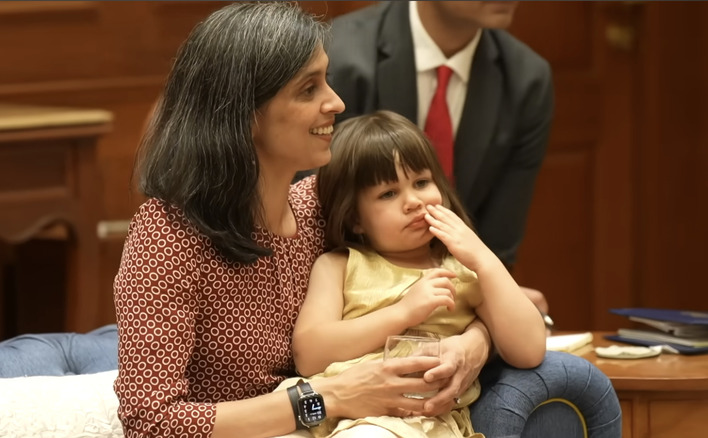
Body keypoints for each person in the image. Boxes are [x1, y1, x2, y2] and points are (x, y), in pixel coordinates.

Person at [113, 3, 492, 438]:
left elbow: (469, 288)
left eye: (326, 80)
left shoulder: (324, 204)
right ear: (244, 113)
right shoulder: (166, 235)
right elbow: (149, 422)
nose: (337, 102)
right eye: (308, 89)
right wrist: (326, 397)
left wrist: (472, 345)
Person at [287, 110, 546, 438]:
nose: (413, 202)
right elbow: (309, 355)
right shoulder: (339, 265)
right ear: (355, 219)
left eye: (422, 182)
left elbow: (529, 349)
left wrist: (484, 258)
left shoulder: (462, 271)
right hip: (329, 405)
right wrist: (402, 312)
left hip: (413, 422)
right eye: (388, 194)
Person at [296, 1, 553, 314]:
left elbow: (497, 244)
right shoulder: (334, 57)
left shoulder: (526, 79)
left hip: (456, 306)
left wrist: (479, 332)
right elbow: (308, 221)